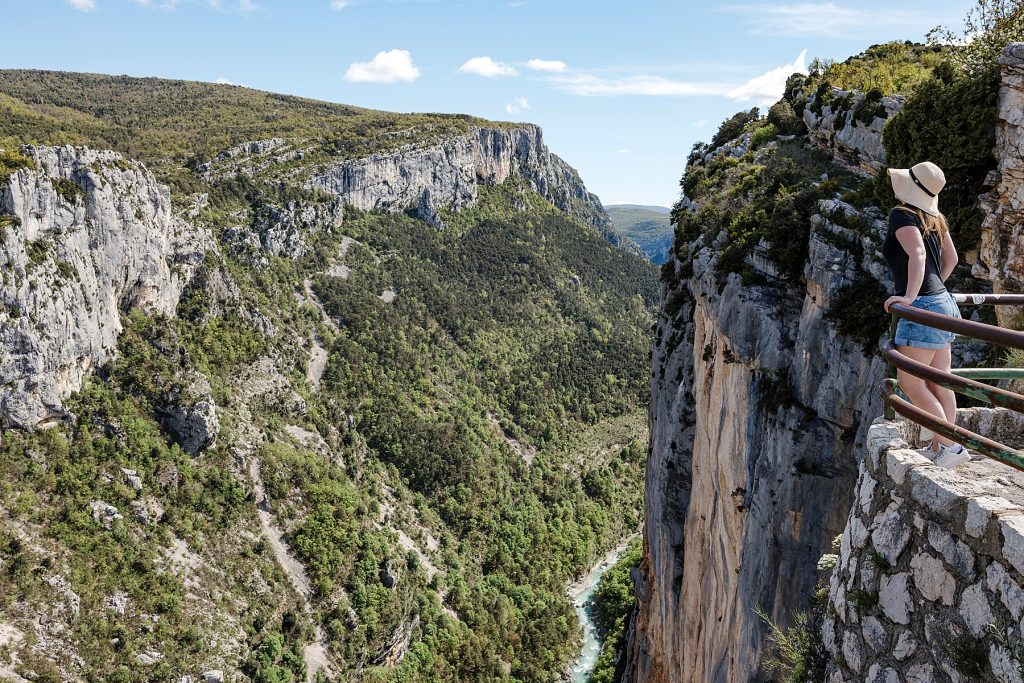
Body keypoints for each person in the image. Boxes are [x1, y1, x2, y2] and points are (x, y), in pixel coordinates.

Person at [881, 161, 970, 469]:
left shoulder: (902, 214)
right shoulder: (935, 217)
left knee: (912, 384)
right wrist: (935, 291)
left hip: (924, 306)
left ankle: (949, 447)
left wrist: (911, 296)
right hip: (943, 303)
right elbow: (952, 259)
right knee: (939, 384)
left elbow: (917, 253)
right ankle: (943, 446)